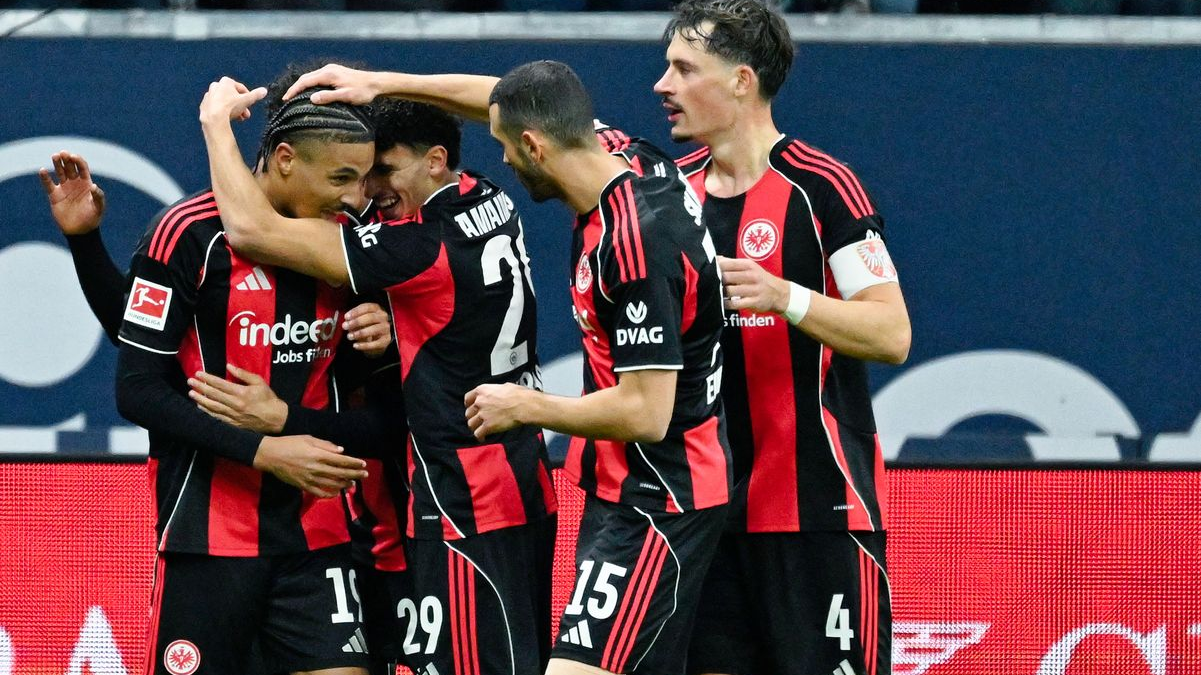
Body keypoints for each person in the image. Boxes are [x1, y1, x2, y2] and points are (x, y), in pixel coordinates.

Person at [281, 60, 732, 675]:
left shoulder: (632, 245)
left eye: (505, 146)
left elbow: (646, 413)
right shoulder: (634, 160)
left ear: (533, 146)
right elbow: (508, 99)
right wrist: (380, 83)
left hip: (661, 495)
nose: (503, 162)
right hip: (624, 489)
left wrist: (527, 406)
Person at [198, 80, 558, 675]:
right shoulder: (488, 194)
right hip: (522, 479)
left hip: (464, 496)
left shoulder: (416, 245)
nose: (370, 191)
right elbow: (520, 96)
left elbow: (251, 231)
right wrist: (382, 85)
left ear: (435, 160)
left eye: (384, 170)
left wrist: (215, 126)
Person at [652, 2, 912, 674]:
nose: (663, 85)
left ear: (741, 81)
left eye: (683, 69)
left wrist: (784, 296)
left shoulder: (823, 186)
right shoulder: (668, 200)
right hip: (705, 521)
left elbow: (890, 331)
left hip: (816, 513)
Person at [104, 66, 380, 674]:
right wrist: (265, 451)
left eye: (363, 180)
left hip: (321, 535)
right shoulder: (187, 234)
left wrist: (380, 340)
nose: (356, 198)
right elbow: (138, 389)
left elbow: (376, 390)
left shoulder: (351, 245)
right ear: (284, 158)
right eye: (341, 178)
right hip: (209, 536)